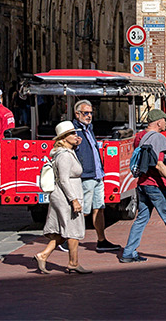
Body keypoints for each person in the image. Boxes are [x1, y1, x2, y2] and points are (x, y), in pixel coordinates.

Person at [120, 110, 166, 263]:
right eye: (164, 120)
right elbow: (158, 164)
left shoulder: (140, 136)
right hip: (156, 185)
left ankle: (128, 252)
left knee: (141, 218)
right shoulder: (158, 138)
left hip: (142, 184)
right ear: (158, 122)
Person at [32, 120, 91, 275]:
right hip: (66, 195)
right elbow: (64, 179)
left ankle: (43, 255)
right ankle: (73, 263)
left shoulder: (67, 152)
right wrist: (74, 200)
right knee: (72, 231)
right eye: (71, 133)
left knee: (62, 232)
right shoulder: (64, 155)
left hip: (65, 194)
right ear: (64, 138)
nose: (75, 135)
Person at [70, 101, 119, 253]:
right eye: (86, 113)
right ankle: (68, 240)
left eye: (91, 112)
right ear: (77, 114)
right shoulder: (73, 130)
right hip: (86, 176)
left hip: (97, 174)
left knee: (99, 208)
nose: (89, 116)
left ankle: (101, 240)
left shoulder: (89, 128)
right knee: (82, 211)